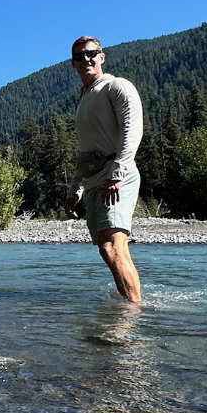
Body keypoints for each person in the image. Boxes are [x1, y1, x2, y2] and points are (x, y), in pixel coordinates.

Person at [63, 36, 143, 303]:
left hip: (117, 176)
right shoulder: (84, 98)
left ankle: (131, 317)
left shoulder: (116, 86)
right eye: (79, 56)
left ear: (102, 56)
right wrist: (75, 190)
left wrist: (117, 175)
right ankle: (131, 303)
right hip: (95, 180)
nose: (86, 59)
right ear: (73, 64)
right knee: (109, 249)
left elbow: (133, 132)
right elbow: (85, 150)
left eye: (91, 54)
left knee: (111, 247)